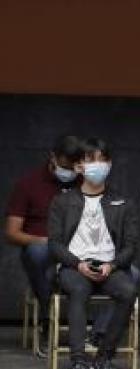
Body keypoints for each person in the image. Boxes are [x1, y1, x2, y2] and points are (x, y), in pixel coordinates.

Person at [48, 137, 139, 369]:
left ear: (110, 164)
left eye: (103, 160)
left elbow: (131, 245)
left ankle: (103, 359)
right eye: (90, 160)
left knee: (128, 291)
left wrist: (112, 264)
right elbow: (54, 244)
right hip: (74, 266)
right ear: (78, 167)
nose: (97, 165)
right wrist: (77, 264)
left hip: (109, 266)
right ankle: (77, 363)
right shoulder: (62, 202)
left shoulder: (123, 203)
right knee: (79, 289)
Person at [6, 135, 82, 357]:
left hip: (81, 254)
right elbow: (12, 233)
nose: (70, 173)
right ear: (53, 158)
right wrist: (46, 242)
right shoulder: (28, 185)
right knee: (39, 252)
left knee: (130, 273)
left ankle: (96, 336)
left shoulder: (86, 184)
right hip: (44, 253)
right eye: (66, 167)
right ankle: (50, 320)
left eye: (75, 168)